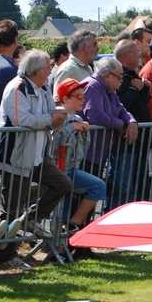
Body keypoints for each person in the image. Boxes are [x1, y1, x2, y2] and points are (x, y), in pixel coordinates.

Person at [0, 50, 72, 237]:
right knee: (11, 209)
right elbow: (21, 120)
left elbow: (51, 112)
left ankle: (29, 219)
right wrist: (51, 119)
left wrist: (65, 117)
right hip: (16, 155)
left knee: (62, 184)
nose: (50, 70)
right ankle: (4, 250)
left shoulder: (43, 88)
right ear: (36, 70)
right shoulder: (17, 88)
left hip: (38, 155)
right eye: (47, 67)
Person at [83, 57, 139, 209]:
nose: (122, 80)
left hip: (98, 152)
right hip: (86, 153)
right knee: (82, 197)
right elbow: (95, 116)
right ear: (107, 75)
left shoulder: (109, 90)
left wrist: (131, 121)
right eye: (119, 77)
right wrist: (121, 124)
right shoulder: (93, 86)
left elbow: (122, 110)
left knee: (90, 196)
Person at [51, 79, 105, 234]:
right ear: (65, 98)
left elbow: (82, 148)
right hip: (56, 169)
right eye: (78, 97)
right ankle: (65, 230)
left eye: (83, 97)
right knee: (97, 186)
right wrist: (70, 128)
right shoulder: (56, 115)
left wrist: (84, 132)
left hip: (71, 168)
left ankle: (70, 226)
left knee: (96, 187)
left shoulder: (78, 119)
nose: (83, 100)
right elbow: (52, 143)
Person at [114, 39, 151, 123]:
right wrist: (133, 89)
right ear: (127, 55)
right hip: (129, 127)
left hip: (142, 127)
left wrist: (145, 88)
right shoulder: (116, 76)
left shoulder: (132, 74)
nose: (139, 55)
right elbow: (119, 104)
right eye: (137, 51)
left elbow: (143, 100)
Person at [53, 30, 98, 96]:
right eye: (94, 44)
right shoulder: (67, 69)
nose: (97, 48)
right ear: (84, 47)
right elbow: (58, 99)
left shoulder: (87, 67)